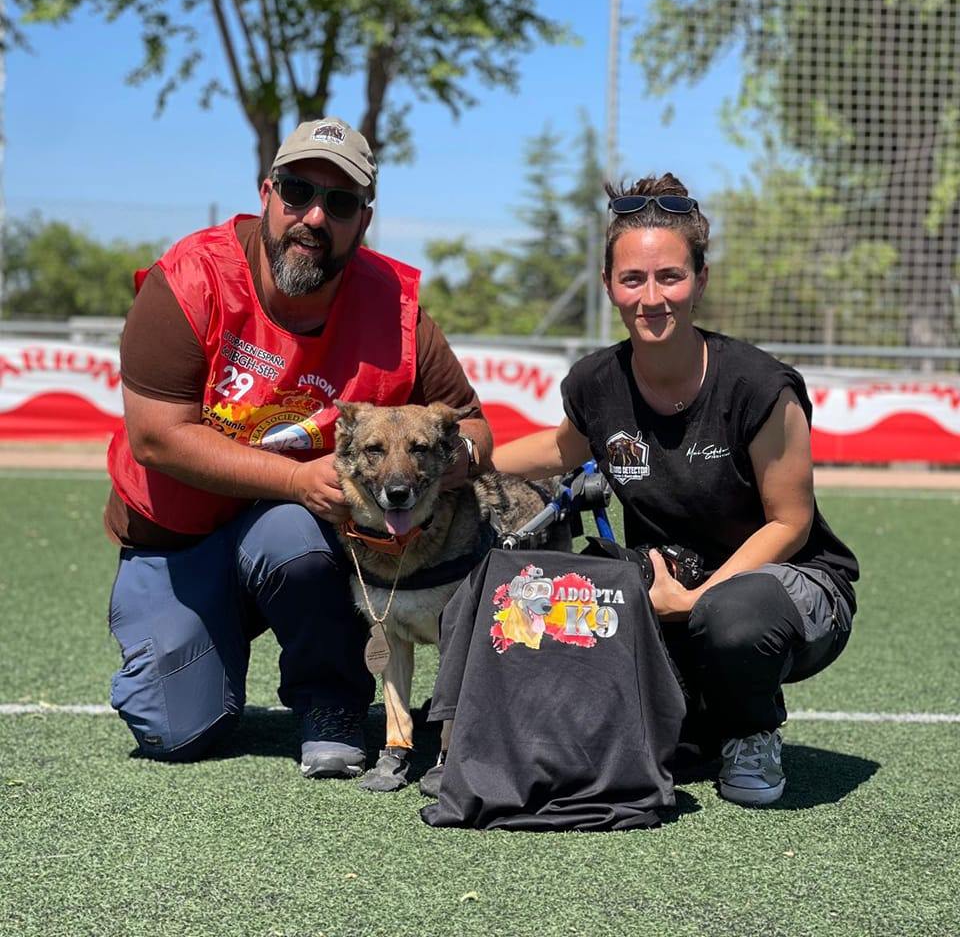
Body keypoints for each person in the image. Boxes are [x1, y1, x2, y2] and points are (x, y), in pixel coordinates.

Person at [104, 117, 491, 778]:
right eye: (297, 191)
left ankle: (332, 702)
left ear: (363, 220)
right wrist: (296, 482)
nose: (314, 215)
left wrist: (439, 466)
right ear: (266, 192)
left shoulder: (398, 309)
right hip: (175, 542)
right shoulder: (191, 280)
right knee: (173, 731)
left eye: (339, 203)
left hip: (293, 545)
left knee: (295, 535)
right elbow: (155, 438)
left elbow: (475, 426)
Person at [493, 174, 858, 806]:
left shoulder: (758, 386)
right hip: (668, 581)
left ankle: (752, 731)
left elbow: (789, 524)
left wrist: (694, 600)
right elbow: (562, 450)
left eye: (671, 277)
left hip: (788, 587)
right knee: (556, 595)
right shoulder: (595, 382)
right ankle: (691, 717)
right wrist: (466, 464)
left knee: (731, 618)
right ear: (610, 285)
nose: (652, 296)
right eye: (633, 279)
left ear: (700, 280)